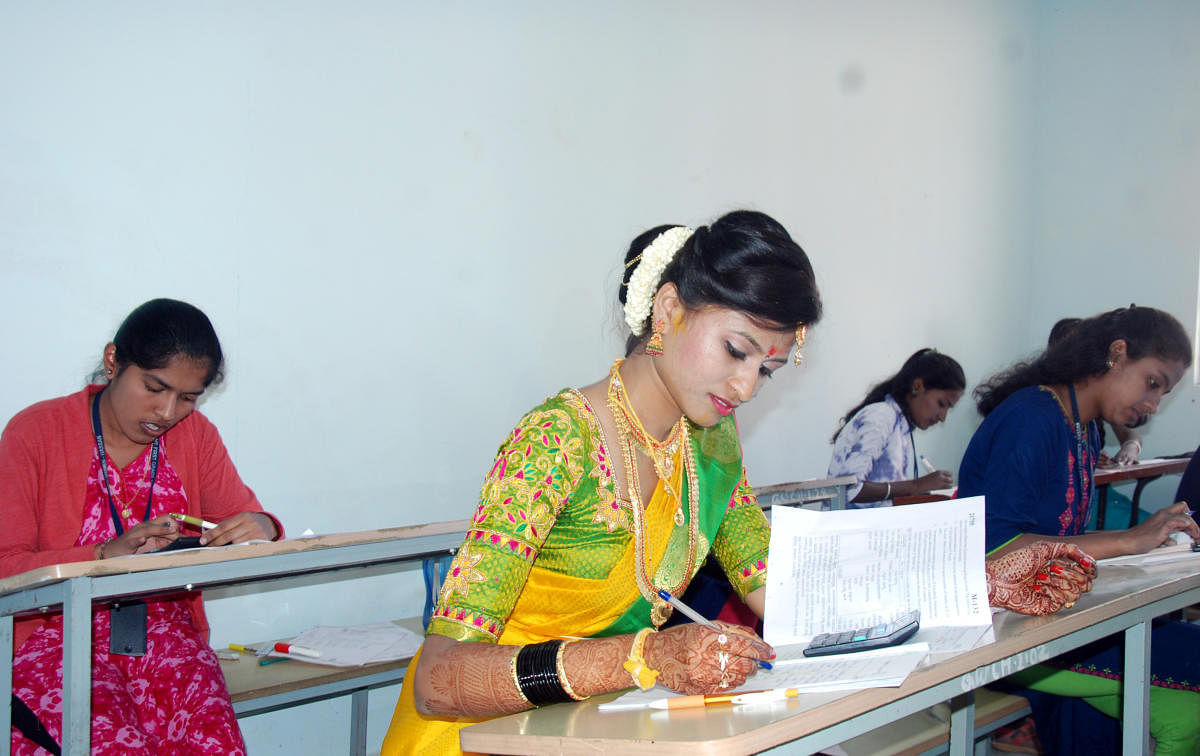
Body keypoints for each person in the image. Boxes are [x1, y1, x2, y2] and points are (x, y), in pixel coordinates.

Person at [380, 211, 1097, 756]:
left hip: (595, 727)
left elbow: (789, 592)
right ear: (668, 311)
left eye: (768, 369)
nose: (748, 386)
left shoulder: (710, 442)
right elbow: (438, 678)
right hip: (483, 732)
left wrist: (971, 587)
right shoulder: (556, 441)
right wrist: (642, 656)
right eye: (737, 351)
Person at [1, 298, 283, 756]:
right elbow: (5, 565)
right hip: (56, 636)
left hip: (166, 640)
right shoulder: (36, 432)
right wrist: (102, 555)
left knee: (215, 745)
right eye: (155, 387)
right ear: (114, 361)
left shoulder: (197, 437)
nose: (167, 412)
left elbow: (253, 519)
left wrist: (262, 527)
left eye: (188, 397)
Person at [958, 305, 1200, 756]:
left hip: (1058, 617)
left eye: (1163, 395)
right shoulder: (1031, 418)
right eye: (1153, 383)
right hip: (1006, 632)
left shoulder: (1084, 428)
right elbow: (995, 550)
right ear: (1117, 354)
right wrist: (1130, 539)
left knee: (1185, 710)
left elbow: (1063, 542)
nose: (1152, 405)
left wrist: (1147, 547)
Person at [828, 348, 965, 507]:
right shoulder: (881, 417)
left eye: (948, 409)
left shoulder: (901, 426)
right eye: (941, 404)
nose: (943, 417)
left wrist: (918, 492)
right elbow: (849, 489)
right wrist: (916, 485)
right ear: (917, 386)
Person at [1049, 317, 1144, 467]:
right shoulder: (1045, 398)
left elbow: (1129, 434)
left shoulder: (1097, 392)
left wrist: (1130, 449)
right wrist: (1084, 458)